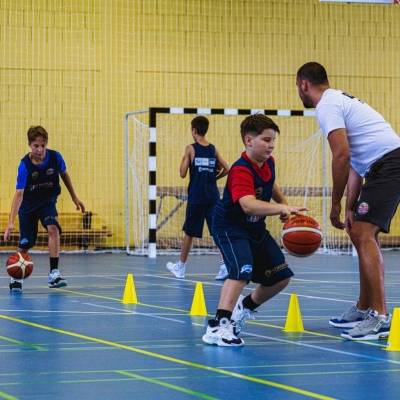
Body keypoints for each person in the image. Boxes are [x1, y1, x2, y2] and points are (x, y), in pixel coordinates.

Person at [296, 62, 400, 340]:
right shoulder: (337, 101)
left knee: (364, 233)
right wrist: (349, 207)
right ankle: (365, 307)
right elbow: (354, 163)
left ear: (304, 84)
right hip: (380, 166)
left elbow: (341, 155)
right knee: (358, 231)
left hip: (389, 164)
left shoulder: (327, 105)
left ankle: (380, 317)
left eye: (298, 88)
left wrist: (334, 204)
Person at [202, 114, 306, 347]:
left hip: (255, 227)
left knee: (281, 277)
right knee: (241, 271)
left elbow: (271, 184)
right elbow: (248, 205)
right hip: (230, 227)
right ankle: (218, 326)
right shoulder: (240, 170)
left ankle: (244, 306)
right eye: (266, 140)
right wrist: (280, 208)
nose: (271, 145)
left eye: (273, 140)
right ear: (249, 141)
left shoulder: (268, 163)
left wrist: (284, 204)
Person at [3, 126, 85, 292]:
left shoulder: (55, 157)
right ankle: (16, 277)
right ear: (30, 145)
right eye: (36, 146)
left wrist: (74, 197)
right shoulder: (25, 165)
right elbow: (19, 194)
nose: (40, 149)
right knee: (26, 243)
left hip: (47, 203)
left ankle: (54, 274)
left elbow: (64, 175)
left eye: (43, 145)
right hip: (28, 207)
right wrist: (11, 222)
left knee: (53, 228)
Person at [166, 116, 230, 280]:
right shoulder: (213, 149)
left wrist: (185, 158)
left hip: (197, 197)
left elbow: (182, 173)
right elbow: (227, 169)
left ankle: (181, 267)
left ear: (193, 130)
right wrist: (214, 176)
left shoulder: (190, 148)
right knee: (217, 231)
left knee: (189, 232)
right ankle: (225, 266)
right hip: (213, 197)